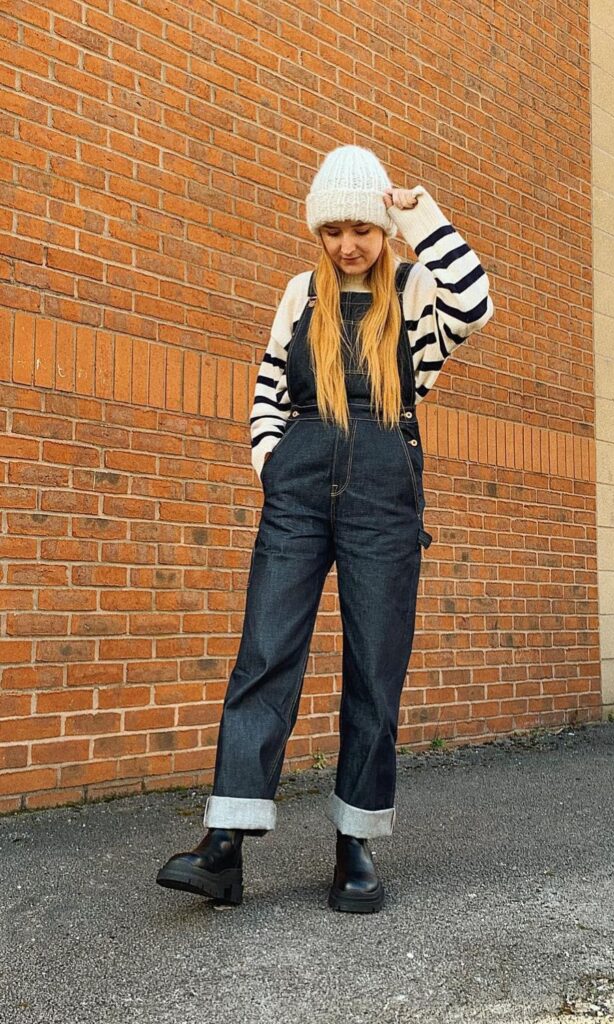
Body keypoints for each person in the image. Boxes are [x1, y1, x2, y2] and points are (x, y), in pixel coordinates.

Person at [156, 144, 494, 913]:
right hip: (300, 482)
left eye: (363, 229)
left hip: (383, 485)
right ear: (318, 230)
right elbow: (269, 388)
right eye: (335, 229)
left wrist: (419, 215)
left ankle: (355, 844)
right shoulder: (297, 293)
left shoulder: (413, 293)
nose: (349, 244)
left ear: (382, 231)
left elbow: (474, 302)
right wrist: (271, 463)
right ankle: (225, 843)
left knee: (375, 665)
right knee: (266, 650)